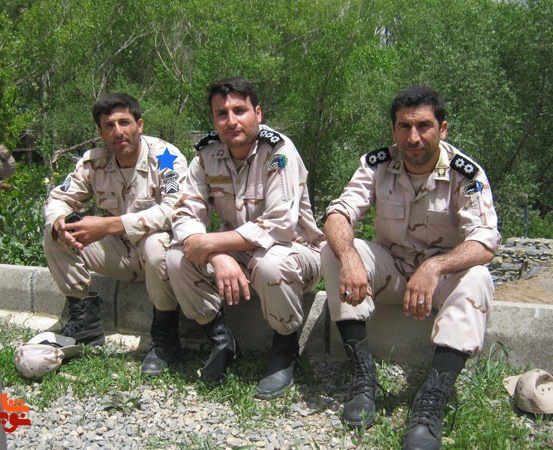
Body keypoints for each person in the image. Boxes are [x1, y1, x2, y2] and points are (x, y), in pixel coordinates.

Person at [321, 85, 500, 449]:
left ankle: (432, 399)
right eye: (404, 127)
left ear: (443, 129)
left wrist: (435, 267)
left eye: (424, 126)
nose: (413, 137)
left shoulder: (466, 174)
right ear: (394, 130)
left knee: (479, 277)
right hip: (392, 271)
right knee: (334, 249)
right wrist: (350, 257)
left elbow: (484, 242)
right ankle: (363, 378)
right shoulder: (377, 164)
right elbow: (339, 212)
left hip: (439, 282)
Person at [166, 77, 324, 399]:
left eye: (240, 110)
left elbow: (280, 224)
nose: (231, 121)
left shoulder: (279, 152)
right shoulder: (206, 155)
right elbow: (184, 214)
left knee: (270, 263)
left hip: (296, 252)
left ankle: (285, 349)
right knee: (175, 257)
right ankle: (222, 341)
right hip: (237, 251)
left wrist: (213, 244)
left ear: (258, 113)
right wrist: (216, 255)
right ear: (214, 120)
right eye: (221, 113)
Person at [43, 93, 187, 376]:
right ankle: (85, 322)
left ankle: (165, 339)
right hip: (120, 253)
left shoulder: (166, 157)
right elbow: (58, 198)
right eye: (109, 126)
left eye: (124, 122)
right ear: (100, 133)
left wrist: (110, 225)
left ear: (139, 125)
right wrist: (60, 221)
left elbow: (176, 210)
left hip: (160, 258)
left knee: (155, 243)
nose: (118, 131)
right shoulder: (93, 162)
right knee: (56, 233)